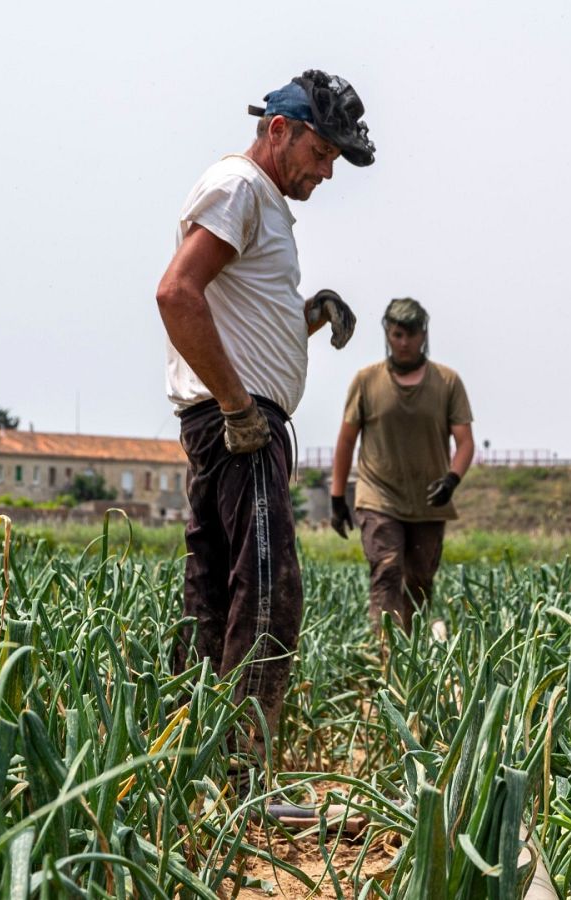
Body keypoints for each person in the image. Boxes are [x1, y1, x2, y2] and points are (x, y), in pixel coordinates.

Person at [154, 69, 374, 764]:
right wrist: (238, 408)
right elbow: (176, 294)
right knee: (270, 587)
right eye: (320, 154)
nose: (326, 172)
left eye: (335, 160)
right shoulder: (241, 187)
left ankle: (196, 756)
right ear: (279, 130)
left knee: (218, 587)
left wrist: (308, 317)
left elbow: (236, 315)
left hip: (238, 423)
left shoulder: (259, 200)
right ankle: (246, 766)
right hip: (241, 429)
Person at [329, 298, 474, 631]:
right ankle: (387, 659)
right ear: (387, 335)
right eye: (397, 335)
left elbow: (465, 442)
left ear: (423, 335)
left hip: (428, 500)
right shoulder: (366, 381)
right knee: (387, 569)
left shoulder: (447, 382)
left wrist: (452, 480)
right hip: (378, 496)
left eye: (410, 335)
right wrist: (337, 499)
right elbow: (347, 440)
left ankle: (413, 655)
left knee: (420, 580)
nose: (404, 343)